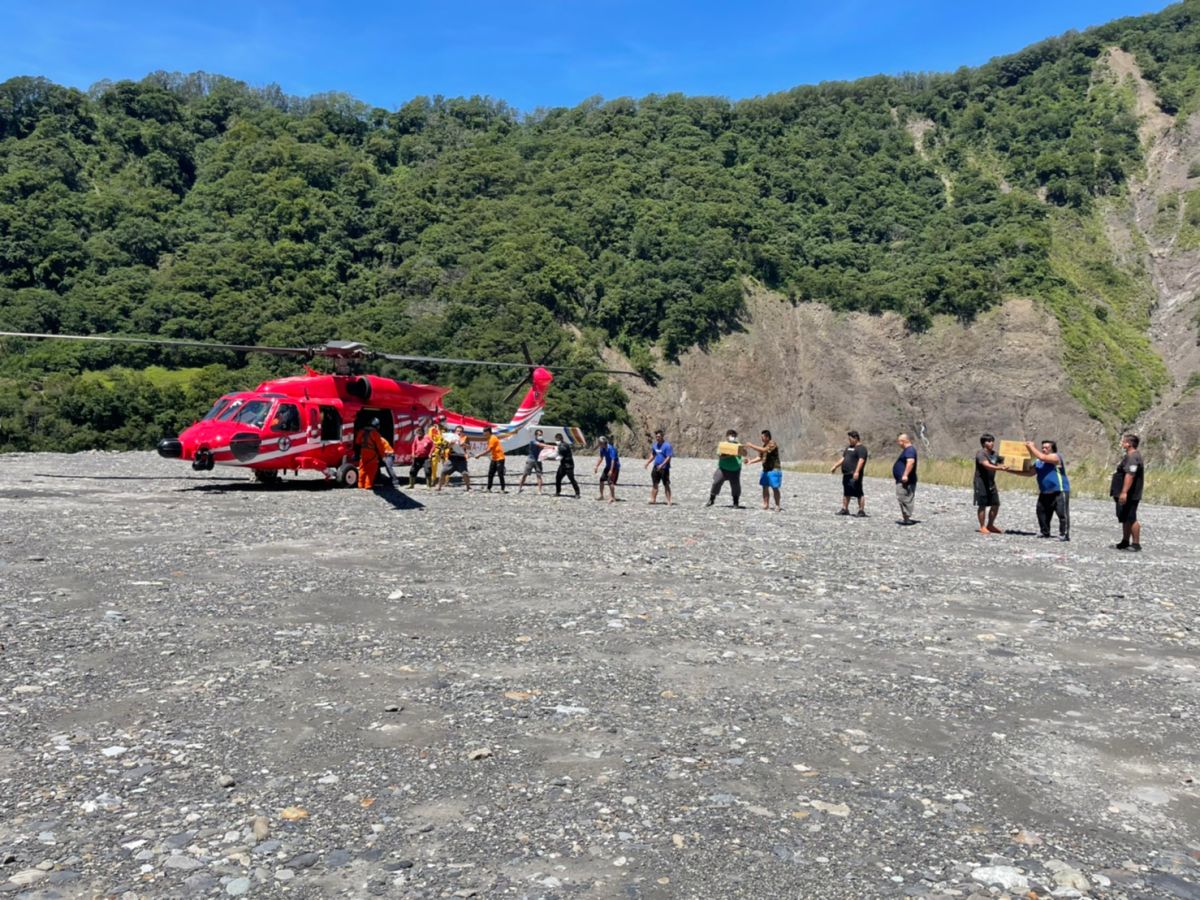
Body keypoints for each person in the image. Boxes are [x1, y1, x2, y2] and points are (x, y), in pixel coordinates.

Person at [1012, 439, 1070, 541]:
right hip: (1045, 491)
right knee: (1041, 511)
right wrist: (1010, 470)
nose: (1044, 449)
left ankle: (1064, 534)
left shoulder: (1056, 457)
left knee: (1062, 513)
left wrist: (1031, 447)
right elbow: (1030, 473)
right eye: (1042, 447)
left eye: (1046, 447)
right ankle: (1045, 532)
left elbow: (1042, 456)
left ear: (1052, 449)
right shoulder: (1039, 462)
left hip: (1059, 490)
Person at [1111, 433, 1145, 551]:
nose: (1121, 443)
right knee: (1125, 517)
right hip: (1124, 492)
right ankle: (1125, 541)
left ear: (1129, 444)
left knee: (1131, 517)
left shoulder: (1133, 457)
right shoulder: (1129, 456)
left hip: (1131, 494)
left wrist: (1124, 492)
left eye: (1123, 441)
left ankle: (1136, 544)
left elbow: (1130, 474)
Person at [974, 433, 1008, 534]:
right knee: (982, 505)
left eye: (992, 441)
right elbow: (987, 465)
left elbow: (1005, 461)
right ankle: (982, 526)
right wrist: (1000, 468)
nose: (991, 443)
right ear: (984, 443)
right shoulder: (981, 454)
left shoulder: (995, 454)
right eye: (989, 441)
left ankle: (990, 525)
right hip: (981, 483)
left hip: (991, 482)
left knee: (995, 504)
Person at [830, 430, 868, 517]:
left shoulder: (861, 449)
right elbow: (843, 458)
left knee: (858, 492)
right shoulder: (848, 448)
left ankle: (861, 510)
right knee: (846, 492)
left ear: (856, 438)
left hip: (854, 473)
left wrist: (857, 471)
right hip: (846, 474)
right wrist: (835, 466)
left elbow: (861, 461)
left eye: (850, 439)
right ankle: (845, 509)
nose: (849, 441)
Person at [746, 429, 782, 511]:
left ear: (767, 437)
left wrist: (751, 446)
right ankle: (766, 504)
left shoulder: (772, 443)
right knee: (764, 487)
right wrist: (750, 461)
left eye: (763, 437)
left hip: (774, 469)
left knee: (774, 487)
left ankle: (777, 505)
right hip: (765, 470)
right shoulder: (763, 446)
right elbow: (760, 457)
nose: (761, 438)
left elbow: (764, 450)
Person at [707, 429, 745, 508]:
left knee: (735, 486)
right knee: (716, 483)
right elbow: (721, 456)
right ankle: (712, 499)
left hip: (735, 469)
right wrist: (731, 454)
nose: (732, 437)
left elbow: (744, 454)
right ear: (727, 436)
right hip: (723, 469)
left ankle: (735, 502)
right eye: (731, 435)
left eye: (734, 436)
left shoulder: (738, 445)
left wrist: (743, 451)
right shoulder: (722, 445)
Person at [355, 418, 393, 490]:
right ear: (376, 425)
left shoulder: (362, 432)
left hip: (363, 453)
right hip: (371, 453)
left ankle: (360, 484)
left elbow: (357, 442)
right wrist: (383, 456)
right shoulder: (375, 433)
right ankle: (368, 485)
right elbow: (380, 446)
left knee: (362, 469)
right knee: (371, 470)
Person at [517, 429, 553, 494]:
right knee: (525, 474)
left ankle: (539, 491)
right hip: (531, 459)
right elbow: (540, 445)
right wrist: (552, 447)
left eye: (541, 435)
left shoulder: (542, 441)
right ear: (536, 435)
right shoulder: (533, 441)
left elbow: (544, 449)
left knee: (539, 475)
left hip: (538, 460)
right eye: (539, 435)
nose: (540, 436)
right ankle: (519, 488)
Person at [893, 433, 918, 524]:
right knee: (901, 497)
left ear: (903, 441)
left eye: (899, 441)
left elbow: (910, 462)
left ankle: (907, 517)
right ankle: (906, 517)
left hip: (906, 480)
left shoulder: (909, 450)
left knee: (905, 497)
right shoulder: (907, 450)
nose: (898, 443)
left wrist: (905, 475)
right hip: (902, 480)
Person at [644, 429, 673, 505]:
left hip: (664, 468)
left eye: (659, 436)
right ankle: (653, 499)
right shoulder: (655, 445)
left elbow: (668, 457)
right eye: (656, 436)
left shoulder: (667, 446)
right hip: (656, 467)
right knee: (655, 484)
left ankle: (669, 501)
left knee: (666, 484)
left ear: (662, 436)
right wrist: (647, 463)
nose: (657, 438)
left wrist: (662, 465)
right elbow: (653, 455)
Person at [474, 426, 506, 492]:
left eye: (484, 432)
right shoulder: (490, 438)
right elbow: (489, 450)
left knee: (500, 474)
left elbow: (489, 450)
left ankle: (502, 489)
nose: (483, 433)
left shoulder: (492, 438)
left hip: (500, 458)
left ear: (488, 432)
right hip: (494, 458)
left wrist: (479, 455)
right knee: (490, 474)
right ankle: (489, 488)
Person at [440, 424, 471, 491]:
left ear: (462, 432)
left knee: (465, 473)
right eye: (457, 431)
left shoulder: (465, 438)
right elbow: (447, 447)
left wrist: (464, 444)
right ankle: (439, 487)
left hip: (461, 459)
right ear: (455, 432)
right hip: (451, 458)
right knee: (443, 472)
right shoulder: (451, 438)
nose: (459, 432)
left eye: (460, 431)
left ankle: (468, 487)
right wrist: (451, 444)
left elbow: (469, 447)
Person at [553, 432, 580, 497]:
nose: (557, 441)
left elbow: (560, 455)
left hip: (568, 466)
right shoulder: (561, 445)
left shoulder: (564, 445)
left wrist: (549, 458)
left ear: (561, 439)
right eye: (556, 440)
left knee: (571, 479)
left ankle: (577, 493)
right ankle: (558, 492)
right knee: (558, 478)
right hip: (563, 465)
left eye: (557, 440)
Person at [594, 436, 620, 502]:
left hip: (614, 467)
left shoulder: (611, 449)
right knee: (601, 480)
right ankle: (601, 495)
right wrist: (596, 466)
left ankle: (612, 497)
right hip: (608, 466)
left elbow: (613, 460)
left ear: (604, 443)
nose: (599, 444)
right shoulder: (602, 448)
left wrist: (611, 470)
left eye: (600, 443)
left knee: (610, 481)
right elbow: (601, 457)